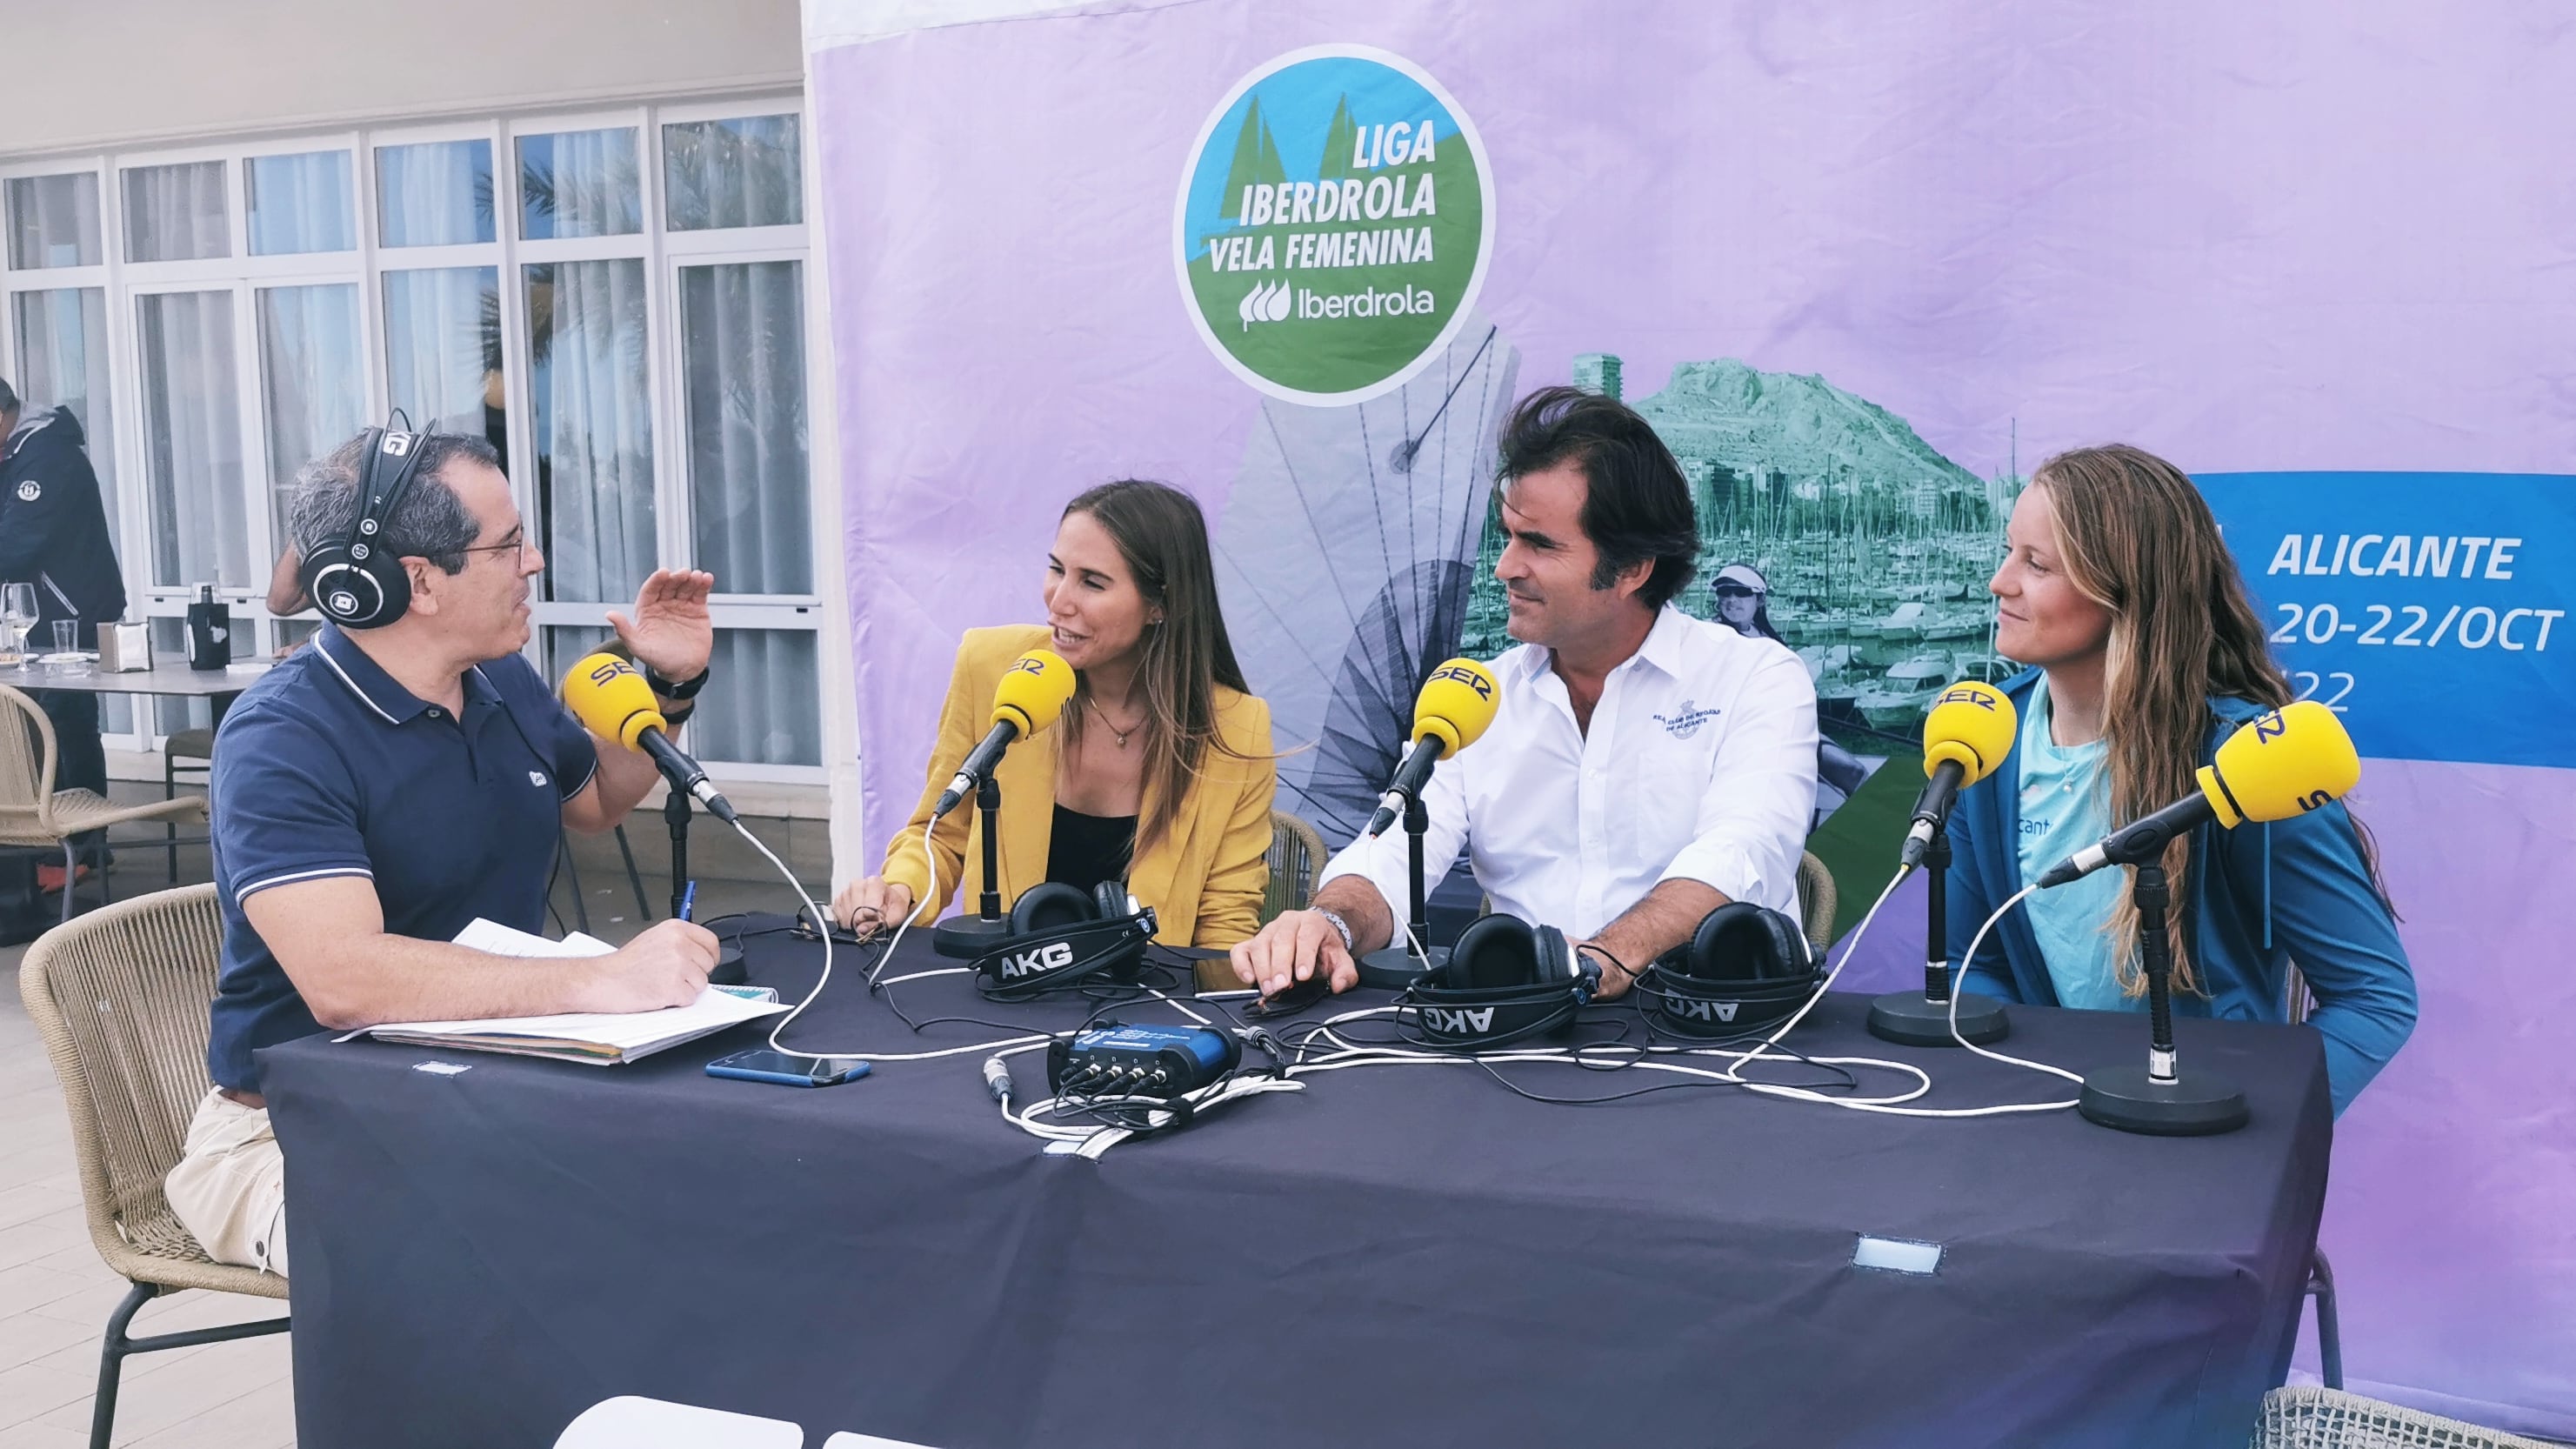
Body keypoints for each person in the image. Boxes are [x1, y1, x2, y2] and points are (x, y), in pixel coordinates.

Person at [163, 428, 724, 1275]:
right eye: (507, 546)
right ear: (418, 580)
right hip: (291, 1129)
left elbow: (600, 800)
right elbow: (345, 981)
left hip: (481, 1092)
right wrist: (596, 980)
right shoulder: (283, 736)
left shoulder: (499, 679)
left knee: (690, 1192)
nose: (533, 562)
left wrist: (670, 689)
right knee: (482, 1255)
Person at [1231, 387, 1819, 998]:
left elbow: (1743, 850)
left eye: (1538, 543)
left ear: (1632, 567)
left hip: (1717, 1035)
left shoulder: (1757, 677)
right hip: (1526, 1040)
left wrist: (1604, 958)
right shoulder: (1480, 699)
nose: (1505, 566)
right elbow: (1394, 857)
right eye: (1508, 535)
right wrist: (1330, 924)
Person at [1948, 444, 2415, 1116]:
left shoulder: (2246, 765)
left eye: (2037, 564)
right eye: (2009, 551)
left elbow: (2375, 999)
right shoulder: (1985, 740)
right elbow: (1980, 968)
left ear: (2124, 589)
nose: (2000, 582)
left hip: (2198, 1160)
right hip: (2048, 1139)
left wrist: (2252, 1138)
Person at [833, 479, 1277, 947]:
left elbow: (1225, 924)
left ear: (1159, 605)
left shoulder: (1237, 728)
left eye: (1092, 582)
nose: (1058, 599)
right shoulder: (991, 668)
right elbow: (940, 838)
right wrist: (900, 889)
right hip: (1002, 998)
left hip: (1147, 1008)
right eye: (1056, 569)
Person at [0, 377, 124, 888]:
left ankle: (85, 848)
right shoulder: (19, 453)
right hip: (42, 613)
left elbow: (13, 548)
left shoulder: (49, 456)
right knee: (37, 727)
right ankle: (53, 847)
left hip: (70, 613)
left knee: (65, 722)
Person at [1710, 561, 1869, 805]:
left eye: (1741, 592)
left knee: (1855, 773)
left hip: (1788, 729)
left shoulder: (1764, 636)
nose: (1731, 599)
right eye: (1724, 592)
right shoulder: (1713, 639)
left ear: (1760, 600)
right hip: (1749, 737)